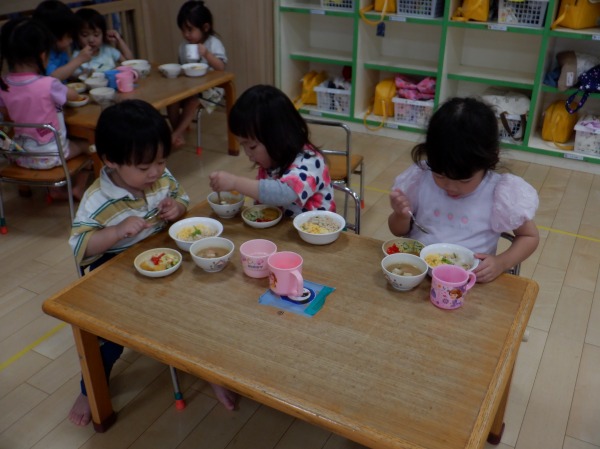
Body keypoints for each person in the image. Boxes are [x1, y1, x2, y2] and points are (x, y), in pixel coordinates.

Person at [68, 99, 237, 426]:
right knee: (107, 335)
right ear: (111, 160)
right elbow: (80, 248)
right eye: (145, 167)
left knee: (204, 304)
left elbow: (181, 198)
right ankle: (90, 390)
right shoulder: (96, 199)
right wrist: (115, 232)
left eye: (161, 161)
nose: (156, 172)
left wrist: (177, 208)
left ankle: (209, 370)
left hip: (163, 253)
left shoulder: (160, 178)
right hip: (115, 266)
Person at [388, 97, 539, 283]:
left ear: (491, 158)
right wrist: (401, 216)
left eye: (464, 180)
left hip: (470, 282)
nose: (451, 187)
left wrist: (501, 262)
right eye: (440, 176)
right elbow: (397, 231)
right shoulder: (420, 179)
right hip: (416, 274)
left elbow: (529, 236)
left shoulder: (500, 193)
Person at [209, 84, 336, 218]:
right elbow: (266, 196)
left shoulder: (310, 162)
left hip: (317, 228)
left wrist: (235, 183)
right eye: (243, 145)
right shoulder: (273, 159)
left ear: (279, 137)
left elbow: (284, 194)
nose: (247, 153)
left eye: (252, 146)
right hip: (282, 227)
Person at [0, 17, 90, 199]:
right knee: (89, 146)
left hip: (21, 156)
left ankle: (54, 190)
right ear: (42, 56)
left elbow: (6, 113)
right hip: (52, 156)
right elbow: (72, 95)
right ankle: (78, 188)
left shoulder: (4, 85)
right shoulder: (48, 84)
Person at [167, 0, 227, 148]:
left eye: (190, 30)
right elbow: (183, 66)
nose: (186, 34)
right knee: (172, 99)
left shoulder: (213, 43)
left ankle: (174, 135)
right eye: (183, 30)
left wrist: (206, 54)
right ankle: (179, 133)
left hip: (212, 89)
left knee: (193, 100)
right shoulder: (184, 45)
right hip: (190, 86)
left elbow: (221, 68)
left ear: (205, 27)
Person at [32, 0, 94, 81]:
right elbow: (52, 77)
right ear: (53, 36)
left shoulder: (61, 50)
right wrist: (79, 59)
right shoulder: (44, 54)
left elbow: (64, 72)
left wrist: (79, 75)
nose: (71, 41)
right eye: (68, 36)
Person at [71, 7, 134, 75]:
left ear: (103, 34)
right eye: (85, 35)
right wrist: (82, 74)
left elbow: (130, 62)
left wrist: (118, 40)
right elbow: (72, 76)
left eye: (96, 35)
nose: (91, 40)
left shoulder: (108, 50)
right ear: (76, 36)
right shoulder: (77, 56)